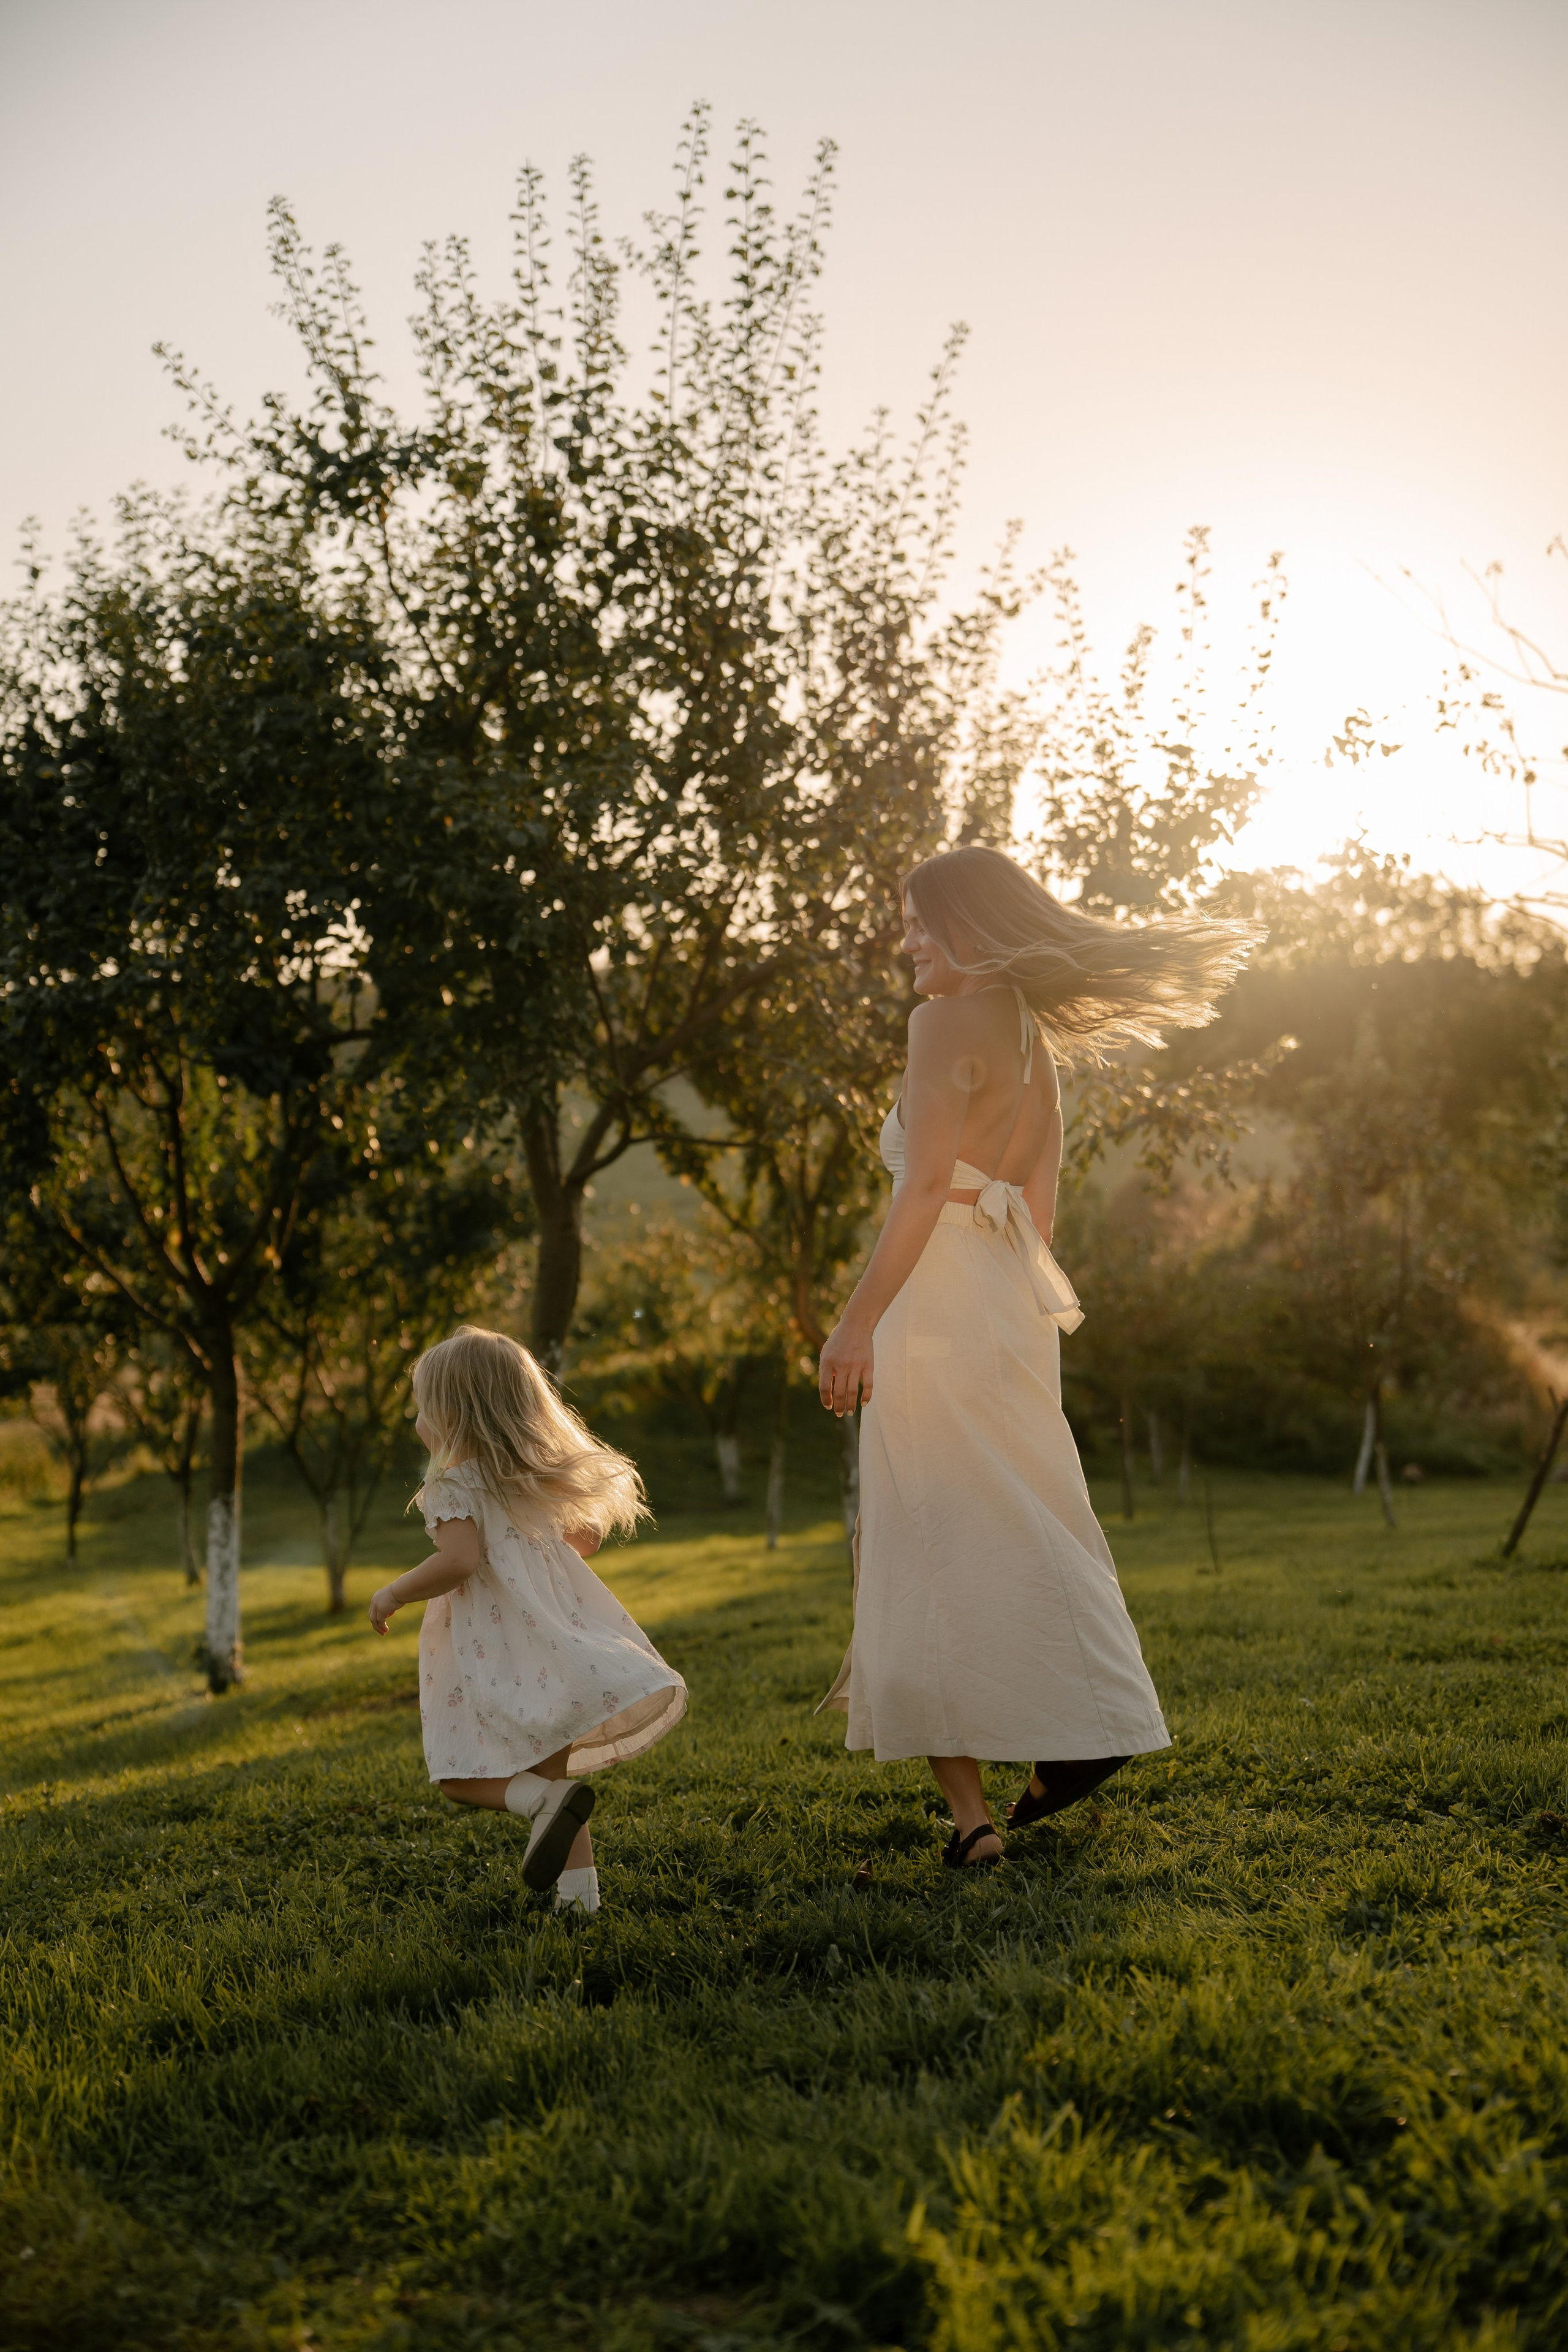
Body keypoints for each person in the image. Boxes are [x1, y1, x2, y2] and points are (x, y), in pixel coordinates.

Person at [816, 845, 1255, 1867]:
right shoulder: (1034, 1041)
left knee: (921, 1539)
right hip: (1012, 1305)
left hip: (933, 1307)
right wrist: (1010, 1318)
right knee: (1030, 1514)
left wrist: (854, 1321)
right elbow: (1040, 1209)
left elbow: (923, 1189)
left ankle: (975, 1820)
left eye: (920, 923)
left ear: (970, 926)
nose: (907, 943)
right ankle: (1080, 1730)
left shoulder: (939, 1025)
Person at [369, 1325, 686, 1913]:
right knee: (557, 1792)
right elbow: (585, 1542)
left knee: (458, 1777)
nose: (416, 1421)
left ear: (455, 1416)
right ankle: (579, 1903)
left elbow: (460, 1561)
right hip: (550, 1648)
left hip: (496, 1651)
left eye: (421, 1409)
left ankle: (550, 1825)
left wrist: (394, 1592)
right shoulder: (526, 1482)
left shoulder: (452, 1485)